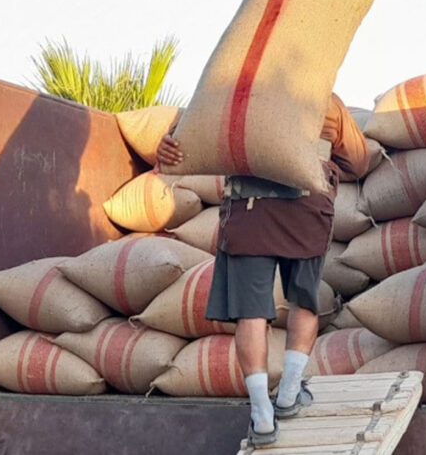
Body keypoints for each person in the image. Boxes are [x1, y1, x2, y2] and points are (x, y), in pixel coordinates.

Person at [157, 93, 369, 446]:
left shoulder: (233, 91)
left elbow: (180, 145)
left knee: (251, 313)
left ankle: (262, 416)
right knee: (304, 301)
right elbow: (358, 161)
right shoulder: (323, 97)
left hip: (249, 209)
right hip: (307, 208)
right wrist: (324, 164)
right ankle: (288, 394)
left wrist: (165, 146)